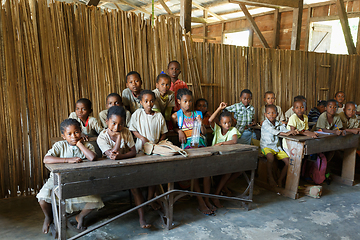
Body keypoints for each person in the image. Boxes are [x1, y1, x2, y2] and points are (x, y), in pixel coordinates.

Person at [37, 119, 104, 233]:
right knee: (42, 198)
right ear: (63, 136)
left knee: (95, 201)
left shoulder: (86, 145)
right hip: (57, 180)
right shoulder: (60, 145)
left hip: (79, 181)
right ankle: (49, 217)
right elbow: (46, 159)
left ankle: (81, 216)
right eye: (69, 134)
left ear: (81, 131)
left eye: (76, 132)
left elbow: (92, 157)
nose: (73, 136)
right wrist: (68, 160)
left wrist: (79, 144)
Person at [97, 106, 152, 228]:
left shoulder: (126, 132)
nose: (117, 127)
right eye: (113, 123)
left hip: (125, 165)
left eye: (121, 124)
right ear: (107, 121)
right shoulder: (102, 137)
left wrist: (120, 155)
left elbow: (133, 152)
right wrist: (119, 139)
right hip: (109, 170)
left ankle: (142, 219)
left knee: (135, 189)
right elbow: (112, 155)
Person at [171, 88, 212, 215]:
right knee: (195, 173)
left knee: (206, 174)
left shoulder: (198, 114)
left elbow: (204, 133)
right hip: (188, 149)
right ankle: (201, 201)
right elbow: (174, 130)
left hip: (201, 145)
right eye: (185, 101)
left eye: (190, 101)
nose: (188, 104)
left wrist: (201, 124)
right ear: (179, 101)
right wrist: (179, 131)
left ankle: (206, 200)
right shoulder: (176, 116)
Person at [129, 90, 168, 214]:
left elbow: (164, 132)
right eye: (146, 101)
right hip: (141, 148)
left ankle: (150, 198)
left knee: (154, 175)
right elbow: (133, 129)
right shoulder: (137, 114)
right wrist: (142, 138)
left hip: (155, 149)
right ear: (141, 102)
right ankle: (142, 201)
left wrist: (158, 142)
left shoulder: (159, 116)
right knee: (142, 174)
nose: (149, 104)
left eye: (151, 101)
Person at [207, 102, 241, 208]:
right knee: (227, 173)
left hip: (226, 158)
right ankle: (216, 194)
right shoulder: (217, 129)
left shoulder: (233, 130)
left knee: (239, 169)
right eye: (225, 123)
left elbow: (234, 141)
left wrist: (221, 143)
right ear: (220, 123)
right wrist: (219, 108)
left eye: (229, 122)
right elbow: (210, 120)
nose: (228, 125)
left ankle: (221, 188)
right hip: (214, 158)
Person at [260, 105, 297, 187]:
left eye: (273, 113)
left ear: (277, 114)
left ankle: (280, 179)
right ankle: (270, 177)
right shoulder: (265, 123)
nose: (271, 115)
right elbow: (274, 131)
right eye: (269, 113)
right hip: (266, 146)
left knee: (288, 162)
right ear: (265, 114)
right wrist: (287, 133)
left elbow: (284, 130)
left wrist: (292, 131)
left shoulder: (278, 123)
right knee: (270, 158)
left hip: (276, 147)